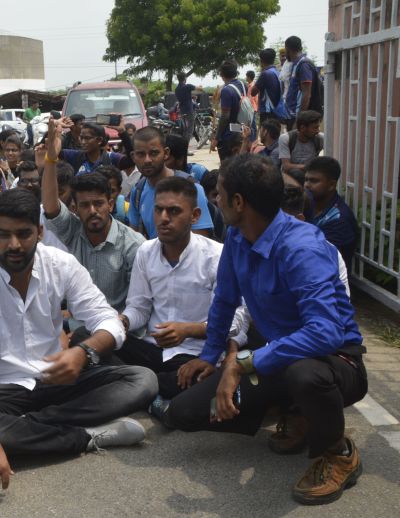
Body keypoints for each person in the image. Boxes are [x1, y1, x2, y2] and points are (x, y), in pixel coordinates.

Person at [165, 154, 368, 506]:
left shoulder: (303, 248)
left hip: (333, 361)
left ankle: (338, 453)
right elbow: (225, 301)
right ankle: (296, 412)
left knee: (305, 375)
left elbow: (325, 333)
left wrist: (243, 364)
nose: (216, 199)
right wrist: (212, 356)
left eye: (221, 194)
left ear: (239, 202)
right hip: (275, 355)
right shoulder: (238, 237)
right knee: (186, 411)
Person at [0, 189, 158, 489]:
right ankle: (87, 436)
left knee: (143, 380)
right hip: (1, 389)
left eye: (24, 234)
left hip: (57, 378)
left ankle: (27, 429)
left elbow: (108, 320)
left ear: (41, 232)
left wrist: (83, 352)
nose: (14, 245)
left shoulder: (61, 264)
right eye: (4, 235)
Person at [119, 176, 237, 401]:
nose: (163, 219)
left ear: (194, 216)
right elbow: (139, 307)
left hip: (195, 353)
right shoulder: (145, 251)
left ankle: (142, 387)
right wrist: (123, 321)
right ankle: (148, 387)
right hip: (153, 349)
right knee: (94, 337)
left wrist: (188, 330)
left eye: (173, 211)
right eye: (159, 210)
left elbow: (234, 321)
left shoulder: (216, 256)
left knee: (194, 381)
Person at [43, 118, 144, 313]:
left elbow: (138, 306)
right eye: (85, 205)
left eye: (98, 203)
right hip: (76, 326)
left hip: (118, 330)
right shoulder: (73, 231)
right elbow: (50, 205)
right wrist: (50, 159)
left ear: (111, 204)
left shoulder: (133, 244)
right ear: (75, 208)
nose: (92, 211)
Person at [127, 127, 215, 239]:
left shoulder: (191, 189)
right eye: (141, 154)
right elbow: (135, 239)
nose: (147, 160)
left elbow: (201, 242)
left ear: (166, 153)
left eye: (154, 153)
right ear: (133, 157)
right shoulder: (138, 191)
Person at [304, 156, 358, 268]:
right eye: (306, 179)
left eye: (314, 181)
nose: (307, 185)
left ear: (331, 185)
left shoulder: (339, 218)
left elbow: (320, 259)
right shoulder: (310, 205)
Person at [211, 60, 248, 162]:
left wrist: (217, 137)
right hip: (241, 130)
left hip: (229, 134)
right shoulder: (243, 84)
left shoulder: (226, 90)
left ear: (221, 74)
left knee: (227, 167)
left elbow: (225, 117)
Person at [285, 36, 322, 130]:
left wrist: (299, 121)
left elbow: (306, 94)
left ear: (288, 49)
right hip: (294, 115)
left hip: (302, 119)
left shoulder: (304, 65)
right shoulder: (296, 65)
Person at [251, 48, 283, 123]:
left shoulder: (265, 74)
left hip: (267, 112)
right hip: (277, 111)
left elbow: (253, 92)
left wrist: (262, 71)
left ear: (261, 61)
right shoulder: (277, 73)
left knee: (266, 134)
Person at [174, 72, 196, 141]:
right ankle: (185, 147)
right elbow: (199, 88)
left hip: (182, 111)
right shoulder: (187, 86)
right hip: (189, 111)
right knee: (190, 130)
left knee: (184, 129)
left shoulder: (177, 89)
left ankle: (183, 146)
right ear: (185, 78)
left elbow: (183, 97)